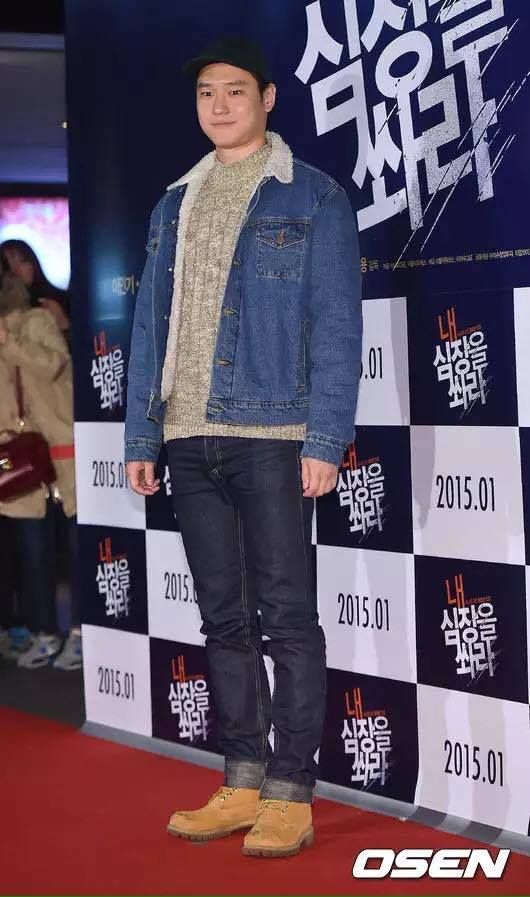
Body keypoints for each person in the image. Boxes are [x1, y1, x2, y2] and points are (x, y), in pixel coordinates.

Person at [124, 37, 362, 858]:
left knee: (287, 616)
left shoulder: (314, 197)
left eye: (234, 90)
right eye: (205, 93)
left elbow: (337, 326)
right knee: (223, 619)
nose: (219, 105)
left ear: (267, 98)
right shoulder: (173, 203)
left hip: (273, 435)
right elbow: (149, 326)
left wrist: (324, 435)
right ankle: (242, 778)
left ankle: (292, 790)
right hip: (187, 436)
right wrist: (144, 430)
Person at [0, 278, 81, 671]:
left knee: (77, 547)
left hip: (62, 455)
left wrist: (9, 341)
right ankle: (43, 632)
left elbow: (54, 365)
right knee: (32, 553)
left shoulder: (37, 320)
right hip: (18, 459)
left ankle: (81, 632)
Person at [0, 240, 70, 333]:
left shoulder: (63, 300)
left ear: (33, 263)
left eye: (21, 260)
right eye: (7, 266)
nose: (14, 268)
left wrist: (63, 323)